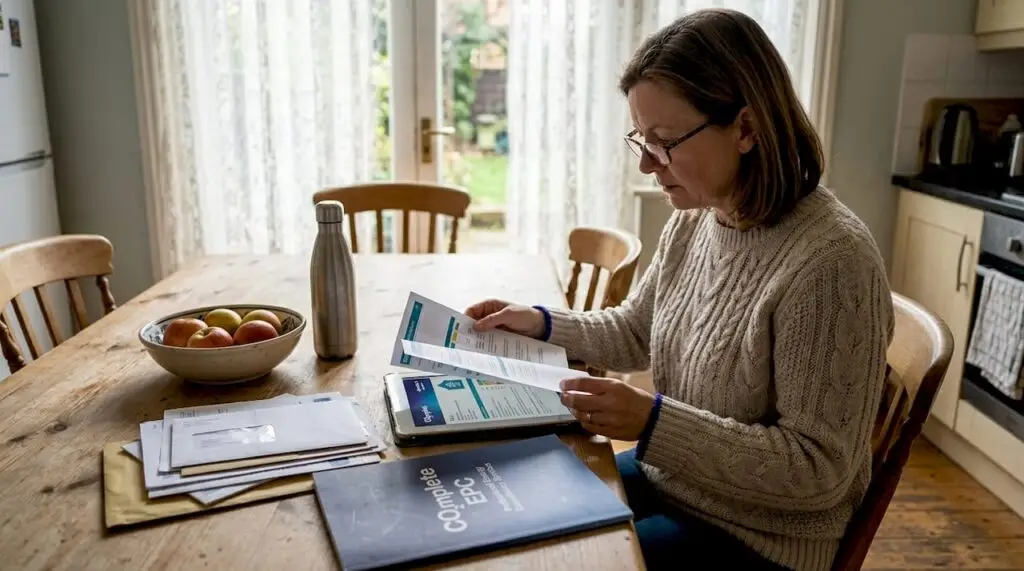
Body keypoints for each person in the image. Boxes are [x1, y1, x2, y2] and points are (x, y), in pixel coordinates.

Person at [465, 8, 895, 571]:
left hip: (762, 539)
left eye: (664, 141)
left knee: (558, 557)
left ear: (746, 128)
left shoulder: (831, 264)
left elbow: (817, 471)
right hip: (677, 481)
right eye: (640, 140)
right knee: (511, 513)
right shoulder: (700, 216)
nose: (647, 164)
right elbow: (636, 330)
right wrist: (540, 322)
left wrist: (652, 420)